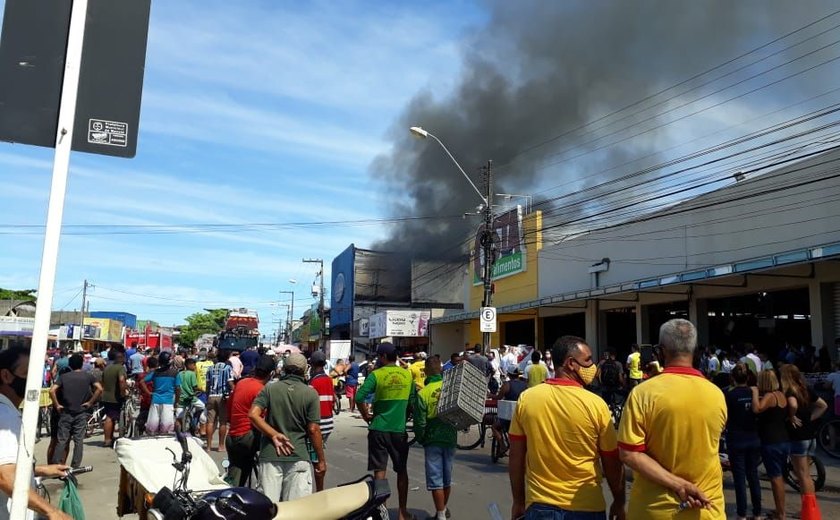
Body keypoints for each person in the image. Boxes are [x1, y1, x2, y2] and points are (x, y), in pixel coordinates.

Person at [618, 319, 726, 519]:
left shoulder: (643, 394)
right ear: (695, 350)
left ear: (660, 351)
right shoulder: (716, 394)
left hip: (655, 510)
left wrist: (680, 485)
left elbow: (630, 454)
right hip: (708, 508)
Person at [509, 335, 625, 520]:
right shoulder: (596, 405)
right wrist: (619, 502)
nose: (592, 366)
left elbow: (516, 457)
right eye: (587, 360)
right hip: (587, 507)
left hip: (541, 507)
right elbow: (612, 462)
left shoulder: (527, 399)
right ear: (571, 364)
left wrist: (518, 501)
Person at [0, 346, 73, 520]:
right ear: (6, 376)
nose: (34, 381)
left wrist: (40, 470)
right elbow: (5, 476)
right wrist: (52, 511)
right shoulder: (6, 417)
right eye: (28, 373)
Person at [249, 353, 322, 501]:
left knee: (268, 508)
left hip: (270, 455)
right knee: (296, 510)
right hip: (298, 456)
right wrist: (321, 459)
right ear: (305, 370)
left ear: (284, 369)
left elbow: (253, 415)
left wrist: (273, 434)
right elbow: (313, 429)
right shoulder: (310, 393)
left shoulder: (270, 389)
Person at [356, 342, 415, 520]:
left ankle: (382, 514)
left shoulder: (376, 375)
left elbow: (359, 397)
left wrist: (366, 415)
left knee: (379, 473)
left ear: (382, 357)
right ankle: (403, 513)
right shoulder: (407, 375)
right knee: (402, 471)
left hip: (378, 429)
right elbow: (412, 402)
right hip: (398, 430)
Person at [781, 364, 828, 520]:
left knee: (803, 476)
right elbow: (823, 405)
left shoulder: (790, 391)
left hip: (798, 437)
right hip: (810, 436)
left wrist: (792, 415)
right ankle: (810, 508)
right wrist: (810, 418)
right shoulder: (805, 389)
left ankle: (809, 512)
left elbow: (793, 404)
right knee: (806, 474)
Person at [415, 357, 456, 520]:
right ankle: (443, 510)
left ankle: (440, 515)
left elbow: (420, 422)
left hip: (432, 438)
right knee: (447, 478)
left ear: (425, 371)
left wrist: (421, 438)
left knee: (436, 479)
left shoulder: (423, 393)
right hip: (450, 436)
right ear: (440, 369)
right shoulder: (449, 388)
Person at [226, 355, 274, 487]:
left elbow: (229, 406)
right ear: (271, 374)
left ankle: (231, 492)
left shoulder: (241, 383)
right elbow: (263, 417)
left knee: (235, 471)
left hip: (232, 437)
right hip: (248, 437)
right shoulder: (262, 390)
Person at [724, 364, 762, 520]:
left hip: (736, 438)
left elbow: (724, 415)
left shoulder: (728, 394)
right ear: (747, 378)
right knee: (753, 475)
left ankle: (742, 513)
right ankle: (757, 512)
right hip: (753, 438)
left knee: (739, 478)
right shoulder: (754, 394)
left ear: (733, 378)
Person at [49, 354, 102, 468]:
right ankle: (75, 466)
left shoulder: (64, 377)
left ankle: (56, 465)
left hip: (66, 411)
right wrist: (90, 402)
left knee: (62, 440)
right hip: (81, 412)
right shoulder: (88, 376)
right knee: (78, 441)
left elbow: (52, 390)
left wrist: (57, 404)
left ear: (70, 364)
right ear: (82, 364)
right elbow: (99, 388)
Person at [751, 368, 789, 520]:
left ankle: (781, 514)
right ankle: (780, 509)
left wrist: (754, 393)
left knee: (775, 478)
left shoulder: (769, 396)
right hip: (783, 439)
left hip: (771, 441)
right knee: (779, 476)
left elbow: (757, 409)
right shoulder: (781, 395)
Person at [307, 351, 335, 492]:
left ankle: (319, 491)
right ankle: (319, 490)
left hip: (317, 424)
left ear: (311, 365)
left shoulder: (313, 382)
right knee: (317, 455)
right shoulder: (329, 379)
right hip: (328, 423)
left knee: (316, 460)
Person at [491, 365, 527, 459]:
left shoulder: (507, 384)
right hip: (522, 415)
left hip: (509, 416)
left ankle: (502, 446)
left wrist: (489, 395)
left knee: (495, 427)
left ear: (509, 374)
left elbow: (499, 397)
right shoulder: (525, 385)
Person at [139, 351, 179, 436]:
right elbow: (178, 388)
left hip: (155, 401)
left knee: (152, 429)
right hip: (168, 402)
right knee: (166, 429)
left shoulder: (155, 373)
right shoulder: (175, 373)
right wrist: (176, 402)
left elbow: (142, 381)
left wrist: (149, 393)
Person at [206, 350, 234, 452]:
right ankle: (221, 445)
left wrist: (207, 396)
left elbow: (208, 385)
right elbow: (230, 383)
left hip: (211, 396)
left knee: (210, 422)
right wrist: (235, 390)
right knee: (222, 422)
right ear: (226, 358)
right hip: (222, 397)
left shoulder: (210, 368)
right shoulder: (227, 368)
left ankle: (208, 446)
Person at [101, 350, 127, 447]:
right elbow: (121, 380)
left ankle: (110, 437)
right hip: (114, 397)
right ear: (121, 358)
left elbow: (102, 382)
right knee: (110, 417)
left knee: (110, 416)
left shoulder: (107, 368)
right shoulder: (120, 368)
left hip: (105, 396)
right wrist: (122, 393)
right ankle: (107, 439)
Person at [175, 358, 206, 434]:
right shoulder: (192, 374)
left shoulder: (179, 374)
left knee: (179, 417)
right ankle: (198, 425)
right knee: (203, 407)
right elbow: (194, 387)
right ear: (189, 365)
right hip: (191, 398)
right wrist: (202, 390)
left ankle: (179, 432)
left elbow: (177, 386)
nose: (195, 367)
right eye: (194, 365)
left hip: (181, 399)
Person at [135, 356, 158, 435]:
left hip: (145, 399)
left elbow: (138, 386)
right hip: (155, 399)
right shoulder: (158, 374)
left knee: (142, 417)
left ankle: (140, 431)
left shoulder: (141, 375)